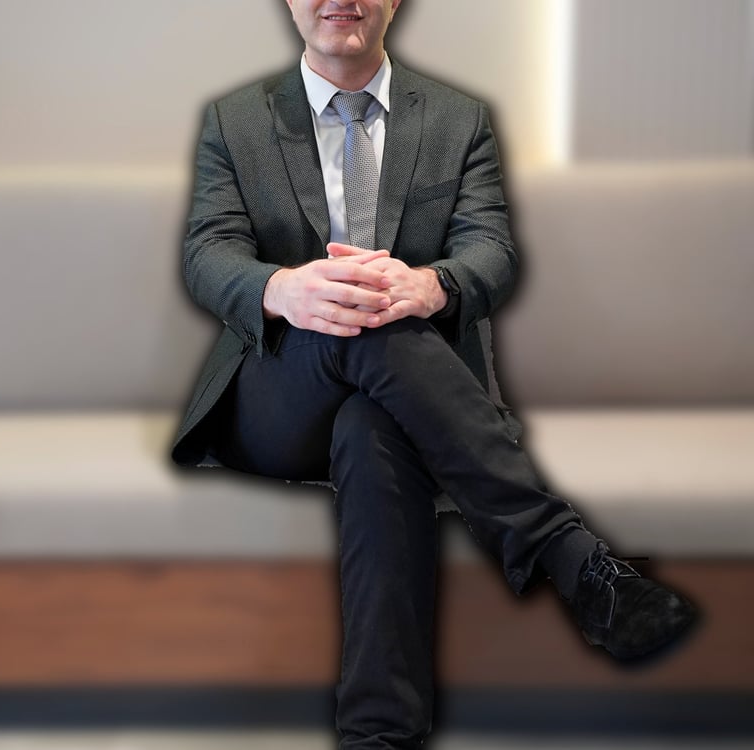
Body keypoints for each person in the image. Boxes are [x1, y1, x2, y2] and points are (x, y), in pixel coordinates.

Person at [172, 1, 696, 747]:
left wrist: (432, 284)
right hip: (280, 393)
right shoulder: (236, 120)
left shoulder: (458, 119)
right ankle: (570, 558)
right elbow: (208, 252)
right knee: (364, 320)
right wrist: (284, 288)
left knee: (372, 421)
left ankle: (379, 735)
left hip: (403, 402)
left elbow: (492, 250)